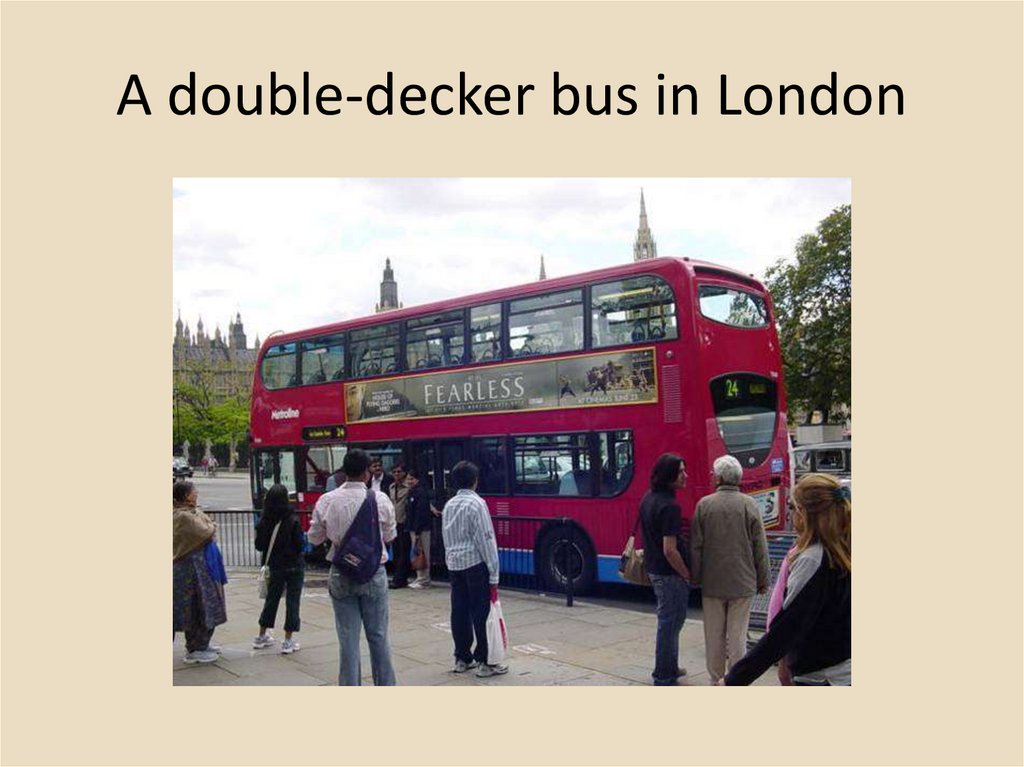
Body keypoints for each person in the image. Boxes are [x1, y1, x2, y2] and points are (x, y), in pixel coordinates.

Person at [722, 473, 851, 686]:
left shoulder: (812, 558)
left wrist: (734, 679)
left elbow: (787, 628)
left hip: (821, 676)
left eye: (791, 506)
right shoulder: (842, 549)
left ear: (804, 513)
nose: (789, 513)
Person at [308, 448, 398, 686]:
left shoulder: (327, 500)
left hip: (341, 573)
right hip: (374, 573)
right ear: (367, 473)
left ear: (344, 472)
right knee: (378, 636)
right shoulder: (380, 499)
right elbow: (390, 535)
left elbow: (313, 538)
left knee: (348, 640)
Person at [690, 455, 770, 684]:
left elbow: (696, 546)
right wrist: (763, 579)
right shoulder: (749, 505)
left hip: (713, 581)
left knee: (713, 635)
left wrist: (695, 577)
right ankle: (736, 679)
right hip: (743, 581)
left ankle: (715, 678)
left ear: (719, 477)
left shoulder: (704, 505)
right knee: (737, 636)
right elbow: (760, 546)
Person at [442, 460, 507, 678]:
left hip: (454, 565)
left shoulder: (449, 505)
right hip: (475, 564)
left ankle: (462, 657)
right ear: (475, 481)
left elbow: (446, 537)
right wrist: (494, 572)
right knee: (481, 612)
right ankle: (485, 662)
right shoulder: (477, 504)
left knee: (459, 611)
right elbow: (486, 540)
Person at [639, 453, 692, 686]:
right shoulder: (670, 506)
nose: (685, 476)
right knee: (671, 623)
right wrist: (686, 573)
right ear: (669, 476)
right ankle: (663, 675)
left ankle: (670, 666)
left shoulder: (648, 498)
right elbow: (670, 549)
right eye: (680, 472)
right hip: (669, 574)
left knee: (670, 622)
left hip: (654, 569)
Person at [173, 481, 227, 664]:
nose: (196, 493)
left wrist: (208, 523)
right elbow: (207, 530)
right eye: (194, 491)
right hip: (191, 569)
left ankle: (202, 644)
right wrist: (210, 525)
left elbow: (208, 525)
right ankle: (195, 648)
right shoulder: (183, 517)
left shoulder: (191, 512)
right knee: (199, 606)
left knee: (207, 604)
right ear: (187, 495)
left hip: (203, 567)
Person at [253, 484, 306, 654]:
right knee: (293, 601)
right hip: (294, 565)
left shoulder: (264, 519)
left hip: (274, 566)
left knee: (271, 599)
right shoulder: (292, 519)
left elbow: (259, 545)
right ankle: (288, 640)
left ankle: (262, 635)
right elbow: (300, 545)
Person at [405, 468, 437, 588]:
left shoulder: (420, 492)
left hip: (421, 528)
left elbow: (420, 513)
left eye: (412, 479)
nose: (409, 481)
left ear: (417, 480)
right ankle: (420, 577)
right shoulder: (412, 492)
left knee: (423, 553)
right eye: (408, 479)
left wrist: (417, 530)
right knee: (417, 553)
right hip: (414, 528)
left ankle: (424, 579)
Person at [387, 463, 412, 589]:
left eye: (399, 471)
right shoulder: (391, 487)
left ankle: (400, 579)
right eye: (394, 472)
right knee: (396, 551)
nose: (397, 474)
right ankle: (399, 577)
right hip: (394, 522)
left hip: (404, 522)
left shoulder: (408, 487)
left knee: (404, 551)